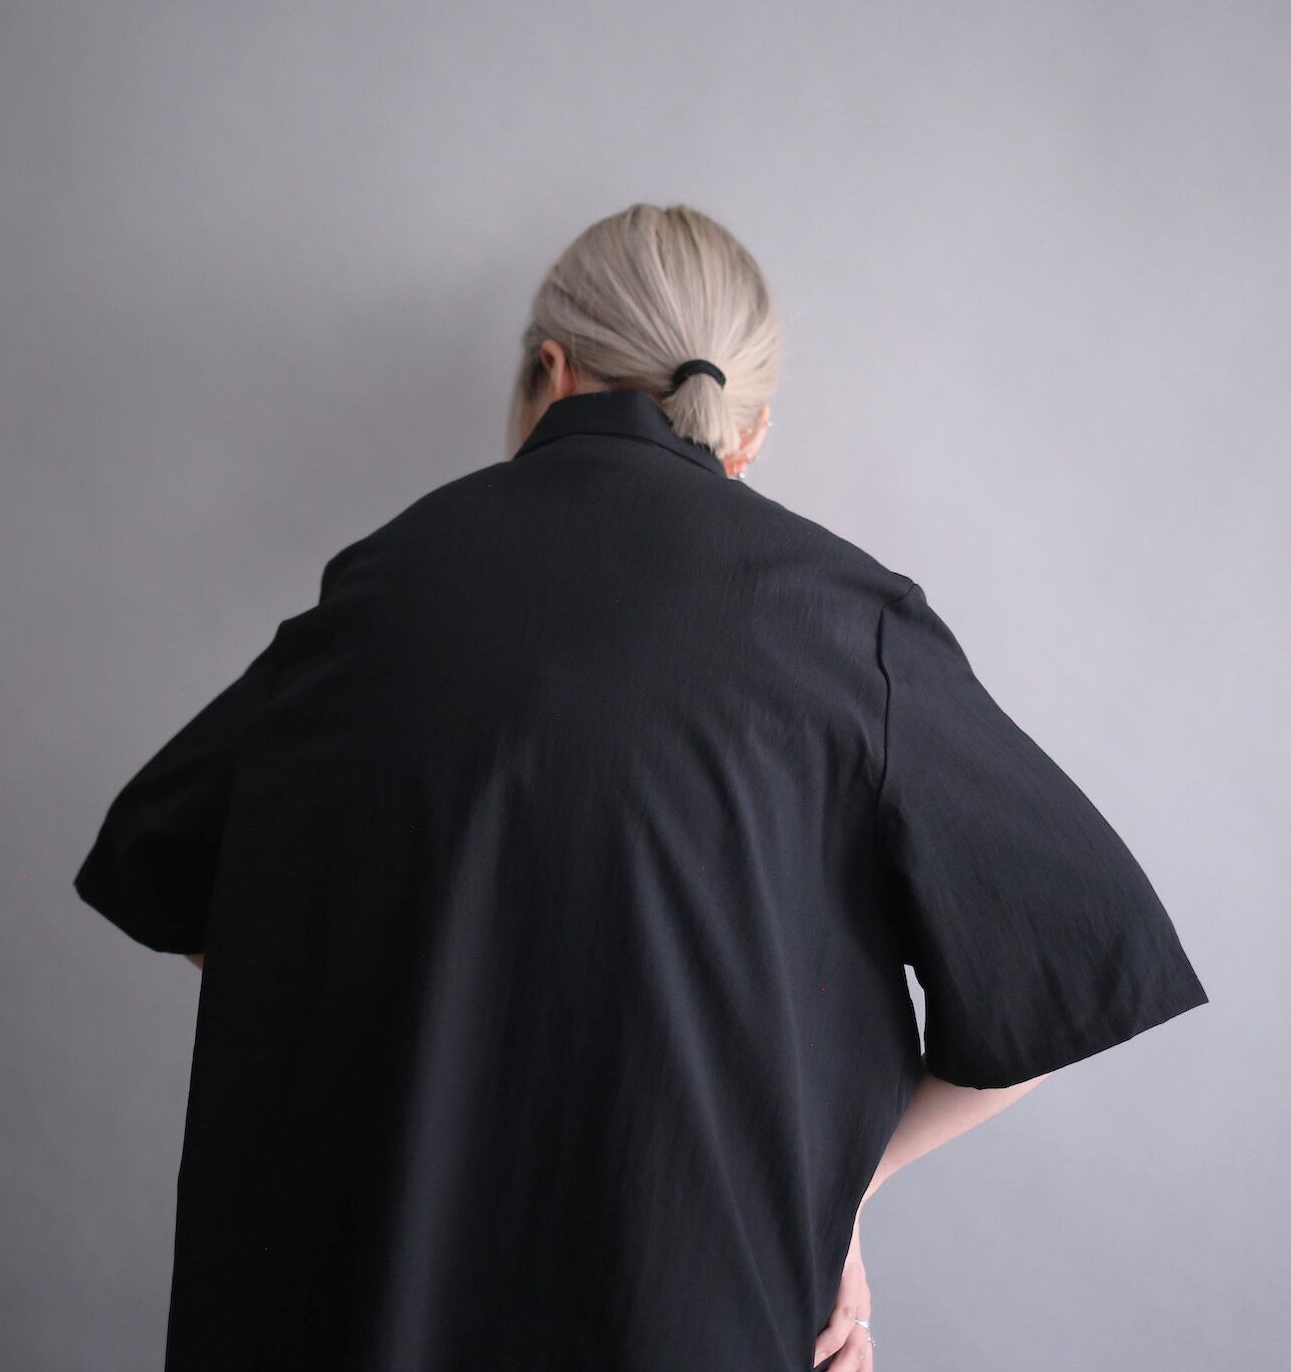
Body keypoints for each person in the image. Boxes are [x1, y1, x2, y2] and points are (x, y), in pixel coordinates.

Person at [73, 202, 1209, 1372]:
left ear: (549, 369)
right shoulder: (843, 622)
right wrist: (824, 1194)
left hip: (353, 1305)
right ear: (749, 431)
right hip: (687, 1312)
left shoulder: (381, 585)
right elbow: (1075, 959)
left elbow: (171, 871)